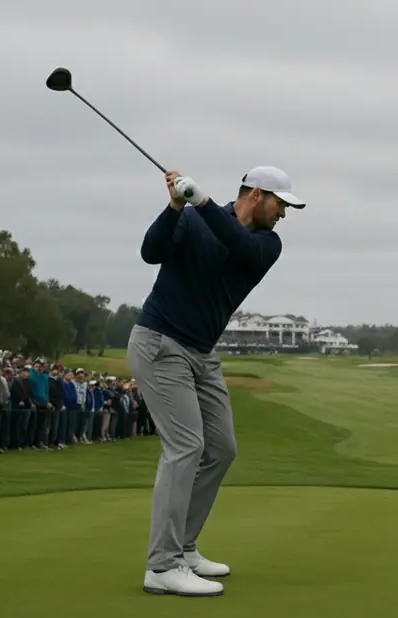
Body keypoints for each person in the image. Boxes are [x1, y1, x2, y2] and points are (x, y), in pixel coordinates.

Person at [128, 166, 305, 597]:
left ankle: (184, 548)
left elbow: (237, 243)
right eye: (281, 204)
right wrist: (174, 207)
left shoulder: (267, 243)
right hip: (160, 343)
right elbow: (151, 252)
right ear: (258, 195)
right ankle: (162, 565)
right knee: (186, 446)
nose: (283, 214)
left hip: (202, 356)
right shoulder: (191, 218)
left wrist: (201, 202)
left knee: (222, 449)